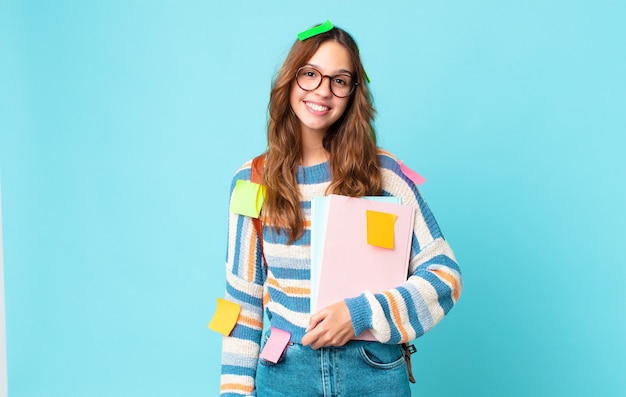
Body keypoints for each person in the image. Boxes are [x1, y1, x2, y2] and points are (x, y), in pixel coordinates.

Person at [219, 22, 462, 397]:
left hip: (373, 368)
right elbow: (241, 303)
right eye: (311, 74)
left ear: (353, 93)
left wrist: (361, 313)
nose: (323, 90)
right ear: (290, 79)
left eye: (339, 80)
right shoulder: (251, 181)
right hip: (285, 374)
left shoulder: (385, 173)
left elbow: (445, 277)